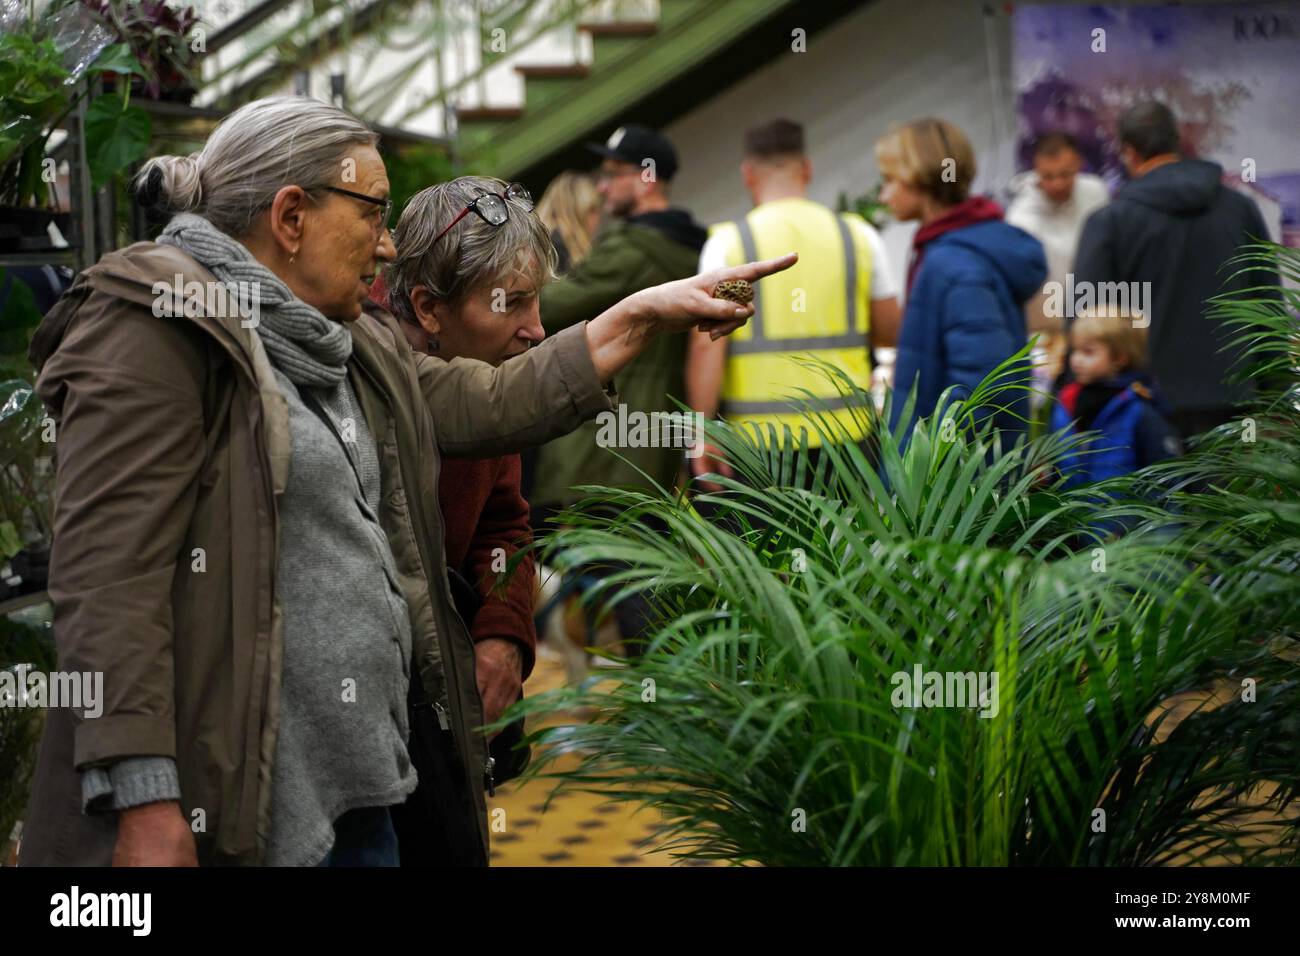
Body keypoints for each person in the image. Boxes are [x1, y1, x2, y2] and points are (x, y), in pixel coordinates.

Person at [17, 95, 793, 867]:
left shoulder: (344, 338)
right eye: (374, 213)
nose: (388, 246)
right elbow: (108, 585)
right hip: (236, 810)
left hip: (363, 787)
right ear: (291, 218)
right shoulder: (156, 331)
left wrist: (637, 316)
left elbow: (487, 401)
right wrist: (147, 801)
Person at [687, 118, 901, 488]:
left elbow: (707, 347)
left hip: (759, 446)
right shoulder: (858, 236)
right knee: (853, 545)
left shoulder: (727, 245)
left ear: (747, 174)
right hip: (850, 439)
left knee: (768, 547)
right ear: (807, 169)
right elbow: (890, 333)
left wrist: (702, 434)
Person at [529, 124, 710, 527]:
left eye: (612, 175)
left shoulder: (632, 249)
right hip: (651, 446)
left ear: (646, 179)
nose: (603, 188)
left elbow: (547, 308)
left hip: (601, 459)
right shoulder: (695, 246)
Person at [1073, 101, 1280, 440]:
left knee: (1147, 496)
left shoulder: (1110, 222)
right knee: (1227, 495)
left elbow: (1087, 320)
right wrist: (1276, 395)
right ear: (1177, 143)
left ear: (1129, 152)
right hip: (1235, 405)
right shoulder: (1241, 209)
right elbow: (1268, 305)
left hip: (1142, 413)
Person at [876, 118, 1046, 443]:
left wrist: (935, 461)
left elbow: (983, 386)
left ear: (919, 177)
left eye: (889, 180)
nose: (884, 195)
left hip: (952, 479)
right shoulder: (951, 247)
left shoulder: (955, 263)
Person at [1005, 132, 1109, 388]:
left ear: (1078, 165)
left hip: (1092, 323)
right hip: (1042, 334)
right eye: (1048, 176)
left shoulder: (1095, 192)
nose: (1058, 184)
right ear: (1036, 171)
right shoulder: (1019, 217)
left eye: (1065, 174)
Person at [1050, 309, 1181, 487]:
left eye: (1088, 352)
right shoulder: (1067, 401)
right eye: (1074, 350)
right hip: (1070, 511)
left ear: (1119, 358)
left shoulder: (1138, 408)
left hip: (1122, 512)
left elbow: (1165, 475)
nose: (1076, 360)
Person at [535, 170, 601, 275]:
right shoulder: (557, 247)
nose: (598, 217)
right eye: (592, 210)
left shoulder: (546, 240)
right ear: (575, 211)